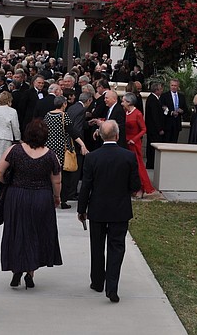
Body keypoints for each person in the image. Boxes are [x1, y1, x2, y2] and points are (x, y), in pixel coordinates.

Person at [77, 120, 141, 303]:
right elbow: (135, 185)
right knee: (116, 247)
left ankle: (97, 282)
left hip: (97, 209)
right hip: (119, 209)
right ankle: (111, 287)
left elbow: (86, 187)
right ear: (117, 136)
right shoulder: (128, 157)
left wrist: (81, 209)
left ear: (101, 136)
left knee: (97, 246)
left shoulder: (92, 158)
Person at [0, 119, 63, 289]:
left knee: (16, 231)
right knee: (36, 233)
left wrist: (6, 183)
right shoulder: (50, 155)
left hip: (17, 195)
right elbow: (56, 181)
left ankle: (16, 268)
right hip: (41, 197)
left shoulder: (15, 150)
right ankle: (30, 272)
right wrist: (57, 197)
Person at [44, 96, 87, 209]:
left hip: (49, 148)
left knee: (51, 173)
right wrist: (82, 144)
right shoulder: (64, 116)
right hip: (62, 149)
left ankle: (50, 198)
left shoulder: (47, 115)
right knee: (64, 175)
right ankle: (62, 200)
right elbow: (72, 131)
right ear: (64, 104)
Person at [122, 92, 158, 199]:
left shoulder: (137, 114)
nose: (122, 103)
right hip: (126, 141)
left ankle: (142, 188)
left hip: (134, 143)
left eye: (123, 101)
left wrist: (134, 139)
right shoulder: (125, 113)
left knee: (138, 166)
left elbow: (144, 129)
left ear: (129, 102)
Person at [0, 91, 21, 193]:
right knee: (4, 162)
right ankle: (2, 184)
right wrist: (18, 138)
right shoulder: (12, 111)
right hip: (5, 137)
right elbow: (15, 126)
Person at [160, 78, 188, 146]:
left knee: (174, 143)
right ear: (170, 86)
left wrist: (182, 111)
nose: (173, 87)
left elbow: (186, 109)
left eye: (175, 85)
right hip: (167, 124)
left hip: (176, 124)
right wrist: (171, 112)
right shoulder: (164, 96)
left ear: (178, 86)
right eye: (172, 85)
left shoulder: (181, 96)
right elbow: (161, 109)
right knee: (166, 143)